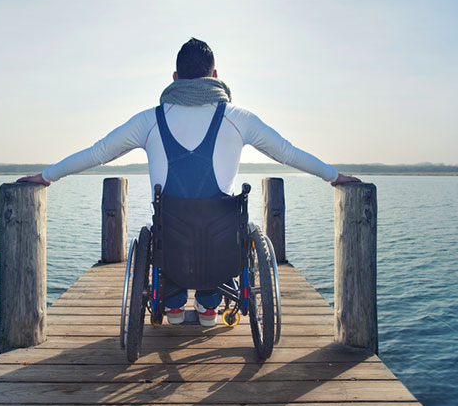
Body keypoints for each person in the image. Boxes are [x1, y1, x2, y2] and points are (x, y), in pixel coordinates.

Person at [19, 38, 360, 326]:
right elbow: (287, 152)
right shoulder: (238, 118)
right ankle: (211, 303)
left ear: (175, 77)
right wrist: (334, 176)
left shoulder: (149, 121)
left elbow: (98, 153)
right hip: (223, 242)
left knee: (171, 229)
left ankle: (172, 303)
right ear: (214, 75)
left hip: (172, 239)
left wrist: (46, 177)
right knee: (221, 228)